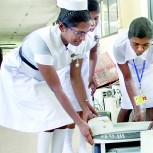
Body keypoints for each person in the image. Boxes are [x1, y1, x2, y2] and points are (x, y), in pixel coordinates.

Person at [0, 1, 95, 153]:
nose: (83, 38)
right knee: (49, 118)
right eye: (78, 32)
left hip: (40, 76)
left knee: (62, 117)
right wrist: (80, 123)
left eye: (86, 32)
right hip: (19, 75)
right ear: (62, 27)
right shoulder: (42, 42)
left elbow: (75, 77)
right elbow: (57, 89)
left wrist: (85, 106)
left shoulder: (81, 42)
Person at [113, 17, 153, 129]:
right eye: (135, 44)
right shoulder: (119, 45)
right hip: (129, 69)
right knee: (127, 105)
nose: (140, 49)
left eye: (145, 45)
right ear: (129, 38)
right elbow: (128, 79)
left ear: (151, 40)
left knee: (151, 104)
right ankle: (119, 139)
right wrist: (137, 109)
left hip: (149, 69)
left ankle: (151, 137)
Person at [60, 0, 100, 152]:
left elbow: (94, 52)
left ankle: (84, 144)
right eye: (91, 18)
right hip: (68, 69)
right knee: (71, 106)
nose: (94, 23)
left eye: (97, 18)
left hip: (82, 68)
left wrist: (91, 75)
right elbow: (73, 74)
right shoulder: (75, 32)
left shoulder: (95, 31)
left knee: (85, 108)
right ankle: (67, 143)